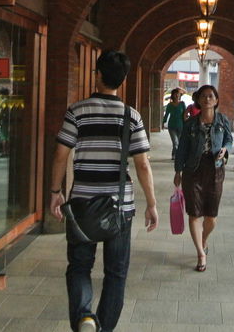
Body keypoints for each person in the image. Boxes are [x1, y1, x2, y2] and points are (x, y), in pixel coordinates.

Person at [48, 49, 158, 332]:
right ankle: (104, 327)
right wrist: (152, 204)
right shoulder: (131, 116)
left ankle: (84, 317)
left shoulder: (77, 111)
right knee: (116, 272)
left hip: (83, 203)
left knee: (79, 266)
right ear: (123, 80)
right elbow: (142, 164)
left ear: (97, 75)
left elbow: (61, 155)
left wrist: (55, 192)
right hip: (120, 206)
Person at [173, 84, 234, 272]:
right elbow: (182, 148)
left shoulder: (223, 120)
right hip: (193, 170)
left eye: (211, 96)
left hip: (215, 169)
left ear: (216, 100)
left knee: (211, 216)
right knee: (194, 213)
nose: (207, 99)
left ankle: (204, 238)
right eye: (203, 96)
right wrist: (178, 171)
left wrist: (225, 149)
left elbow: (230, 140)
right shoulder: (191, 123)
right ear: (198, 100)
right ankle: (201, 253)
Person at [162, 88, 186, 159]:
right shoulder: (169, 105)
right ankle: (175, 155)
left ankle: (175, 154)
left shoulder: (182, 104)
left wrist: (186, 123)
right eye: (175, 94)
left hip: (181, 126)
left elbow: (185, 114)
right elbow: (166, 115)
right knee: (175, 142)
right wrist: (163, 123)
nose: (177, 95)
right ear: (172, 95)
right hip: (171, 126)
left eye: (178, 94)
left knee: (179, 142)